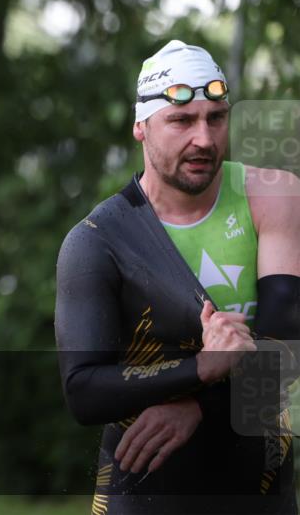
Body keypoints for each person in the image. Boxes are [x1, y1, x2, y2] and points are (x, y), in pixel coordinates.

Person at [55, 40, 300, 514]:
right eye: (182, 121)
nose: (204, 139)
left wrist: (199, 407)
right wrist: (202, 368)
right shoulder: (98, 240)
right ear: (141, 127)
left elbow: (287, 350)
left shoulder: (272, 197)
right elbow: (84, 393)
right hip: (146, 488)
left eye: (216, 118)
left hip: (258, 485)